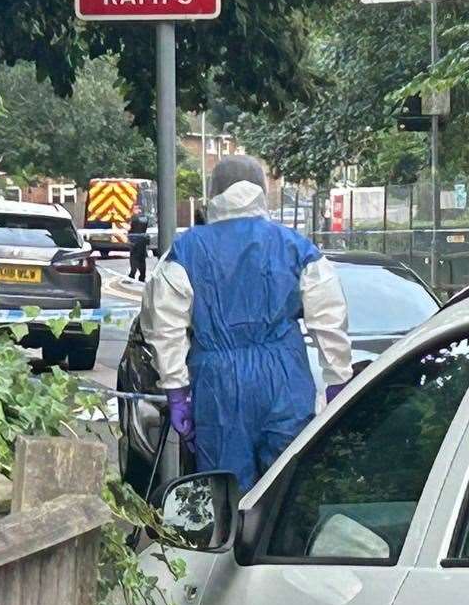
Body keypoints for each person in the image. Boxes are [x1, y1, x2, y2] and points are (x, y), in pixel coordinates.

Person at [142, 156, 351, 491]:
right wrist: (337, 378)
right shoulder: (296, 247)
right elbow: (329, 318)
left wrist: (176, 389)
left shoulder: (185, 251)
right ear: (263, 192)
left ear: (213, 193)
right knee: (286, 491)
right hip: (284, 376)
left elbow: (164, 327)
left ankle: (234, 542)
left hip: (217, 382)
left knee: (228, 495)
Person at [127, 205, 150, 281]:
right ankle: (142, 276)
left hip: (135, 241)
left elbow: (130, 228)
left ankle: (132, 275)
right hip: (143, 241)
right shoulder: (146, 218)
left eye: (133, 209)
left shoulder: (134, 218)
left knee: (133, 259)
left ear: (137, 209)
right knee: (142, 259)